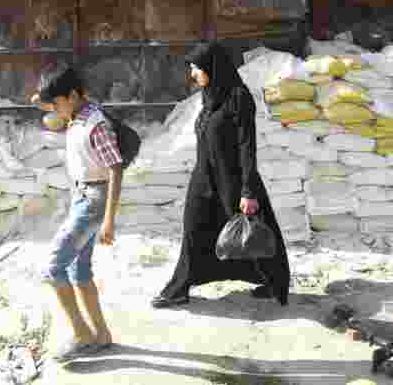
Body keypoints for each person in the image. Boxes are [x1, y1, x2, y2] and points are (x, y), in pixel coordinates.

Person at [151, 42, 291, 309]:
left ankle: (275, 282)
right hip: (204, 178)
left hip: (233, 180)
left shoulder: (239, 97)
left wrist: (248, 191)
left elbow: (247, 146)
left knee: (253, 232)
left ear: (213, 67)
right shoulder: (209, 97)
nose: (193, 74)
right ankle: (179, 289)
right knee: (194, 230)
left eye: (197, 68)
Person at [30, 67, 123, 362]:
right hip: (81, 196)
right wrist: (43, 100)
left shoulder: (97, 125)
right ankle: (101, 335)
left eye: (57, 104)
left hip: (93, 201)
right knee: (78, 270)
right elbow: (53, 104)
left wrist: (109, 219)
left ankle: (82, 334)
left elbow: (116, 169)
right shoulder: (78, 112)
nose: (54, 110)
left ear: (72, 96)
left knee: (53, 268)